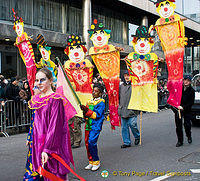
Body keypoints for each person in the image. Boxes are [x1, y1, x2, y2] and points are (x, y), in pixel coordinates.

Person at [24, 68, 76, 181]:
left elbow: (55, 128)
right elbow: (34, 122)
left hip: (52, 146)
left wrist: (47, 149)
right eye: (37, 80)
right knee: (35, 174)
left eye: (42, 80)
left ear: (51, 80)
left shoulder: (55, 99)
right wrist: (30, 136)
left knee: (51, 175)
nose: (39, 83)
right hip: (37, 144)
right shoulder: (37, 99)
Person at [80, 83, 105, 171]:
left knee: (91, 142)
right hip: (88, 125)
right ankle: (91, 161)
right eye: (93, 91)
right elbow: (86, 115)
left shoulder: (101, 103)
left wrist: (86, 110)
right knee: (87, 143)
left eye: (96, 91)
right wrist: (83, 110)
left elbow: (96, 115)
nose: (94, 93)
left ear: (100, 93)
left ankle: (96, 161)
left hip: (95, 126)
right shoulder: (89, 102)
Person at [118, 70, 140, 148]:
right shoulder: (121, 86)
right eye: (125, 75)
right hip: (123, 108)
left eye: (128, 75)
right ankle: (126, 142)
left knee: (132, 124)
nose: (127, 77)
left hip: (132, 109)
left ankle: (137, 136)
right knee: (124, 127)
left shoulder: (135, 85)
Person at [172, 75, 195, 147]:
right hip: (178, 110)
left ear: (190, 82)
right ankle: (180, 141)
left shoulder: (192, 91)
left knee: (187, 125)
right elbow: (174, 97)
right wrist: (175, 107)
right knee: (178, 126)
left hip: (187, 110)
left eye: (188, 80)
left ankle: (189, 136)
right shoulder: (179, 88)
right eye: (185, 80)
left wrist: (183, 107)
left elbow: (191, 102)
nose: (186, 81)